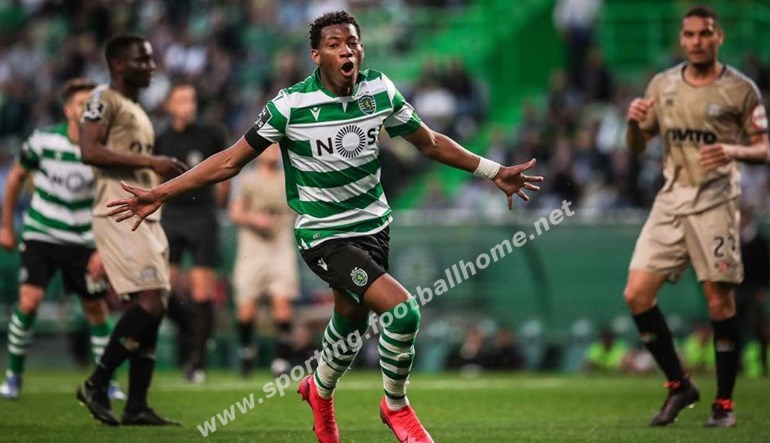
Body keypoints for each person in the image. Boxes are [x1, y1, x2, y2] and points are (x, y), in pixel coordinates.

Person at [105, 11, 542, 443]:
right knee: (403, 311)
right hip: (323, 234)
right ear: (316, 55)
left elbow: (429, 143)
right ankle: (395, 406)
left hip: (374, 227)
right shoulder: (290, 105)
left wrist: (492, 170)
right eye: (334, 45)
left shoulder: (379, 90)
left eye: (352, 42)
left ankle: (319, 389)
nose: (346, 50)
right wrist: (160, 193)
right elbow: (229, 161)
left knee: (350, 323)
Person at [624, 6, 769, 428]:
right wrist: (632, 125)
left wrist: (733, 150)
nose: (696, 41)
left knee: (719, 302)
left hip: (716, 203)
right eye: (689, 35)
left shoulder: (741, 90)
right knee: (636, 295)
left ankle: (724, 404)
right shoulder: (662, 84)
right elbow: (637, 145)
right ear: (681, 39)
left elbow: (763, 147)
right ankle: (679, 385)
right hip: (671, 200)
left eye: (704, 33)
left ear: (718, 37)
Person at [74, 35, 187, 426]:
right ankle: (97, 383)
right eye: (143, 59)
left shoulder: (136, 109)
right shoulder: (102, 99)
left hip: (144, 215)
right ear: (119, 64)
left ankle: (136, 405)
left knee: (158, 305)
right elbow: (89, 150)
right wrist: (152, 163)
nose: (152, 67)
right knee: (150, 303)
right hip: (118, 211)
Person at [0, 78, 125, 401]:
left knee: (95, 309)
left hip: (84, 238)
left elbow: (112, 197)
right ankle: (13, 376)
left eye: (93, 104)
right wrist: (6, 226)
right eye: (82, 103)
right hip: (42, 232)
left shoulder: (103, 148)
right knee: (29, 301)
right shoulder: (43, 141)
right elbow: (15, 179)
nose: (88, 109)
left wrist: (105, 245)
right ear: (68, 110)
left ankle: (107, 381)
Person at [154, 81, 229, 383]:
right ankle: (190, 330)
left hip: (202, 217)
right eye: (182, 100)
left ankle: (197, 360)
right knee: (164, 288)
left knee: (202, 290)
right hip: (172, 216)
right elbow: (155, 178)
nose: (189, 106)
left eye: (192, 100)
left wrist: (215, 208)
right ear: (169, 105)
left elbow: (224, 175)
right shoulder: (161, 139)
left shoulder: (210, 135)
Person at [229, 146, 298, 378]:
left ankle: (281, 359)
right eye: (269, 146)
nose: (273, 151)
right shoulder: (247, 179)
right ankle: (246, 350)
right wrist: (253, 219)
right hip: (253, 247)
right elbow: (235, 212)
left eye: (277, 147)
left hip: (281, 245)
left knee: (282, 301)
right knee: (247, 307)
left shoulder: (289, 177)